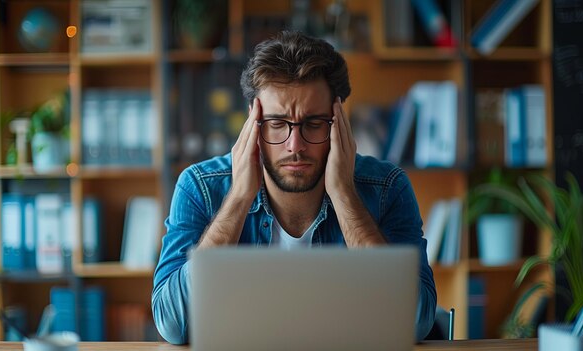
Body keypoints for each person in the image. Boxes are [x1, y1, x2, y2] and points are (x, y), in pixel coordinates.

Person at [152, 31, 437, 344]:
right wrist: (238, 199)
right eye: (277, 123)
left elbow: (417, 322)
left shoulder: (387, 188)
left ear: (339, 120)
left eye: (314, 123)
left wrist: (344, 195)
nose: (294, 146)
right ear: (252, 121)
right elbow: (172, 324)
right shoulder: (200, 187)